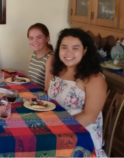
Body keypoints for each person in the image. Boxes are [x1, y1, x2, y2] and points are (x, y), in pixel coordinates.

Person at [47, 28, 107, 158]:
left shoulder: (94, 78)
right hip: (55, 128)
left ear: (84, 51)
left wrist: (59, 130)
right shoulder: (58, 70)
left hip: (81, 137)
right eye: (64, 47)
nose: (69, 52)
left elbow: (90, 116)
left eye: (75, 48)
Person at [27, 23, 54, 91]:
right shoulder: (32, 55)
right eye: (31, 38)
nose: (35, 41)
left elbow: (47, 90)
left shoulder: (50, 58)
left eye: (39, 37)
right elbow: (30, 81)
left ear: (47, 38)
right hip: (31, 93)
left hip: (41, 98)